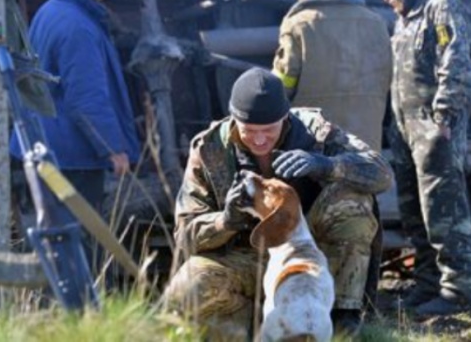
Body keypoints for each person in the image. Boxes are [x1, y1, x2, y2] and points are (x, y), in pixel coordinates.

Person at [164, 67, 391, 338]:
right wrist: (224, 221)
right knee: (187, 288)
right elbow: (184, 236)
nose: (259, 140)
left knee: (352, 200)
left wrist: (326, 165)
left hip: (310, 264)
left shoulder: (315, 132)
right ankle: (250, 325)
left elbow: (381, 174)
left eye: (269, 130)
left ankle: (342, 319)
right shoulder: (209, 148)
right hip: (244, 261)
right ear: (234, 119)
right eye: (249, 130)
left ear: (285, 117)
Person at [10, 0, 140, 266]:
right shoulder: (78, 27)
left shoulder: (52, 11)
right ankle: (89, 308)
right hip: (74, 155)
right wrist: (113, 148)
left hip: (46, 147)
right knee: (87, 244)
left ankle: (60, 307)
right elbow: (86, 98)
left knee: (58, 238)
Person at [374, 0, 471, 316]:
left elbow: (455, 60)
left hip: (435, 131)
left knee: (444, 213)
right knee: (415, 213)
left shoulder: (441, 5)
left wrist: (445, 118)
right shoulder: (404, 18)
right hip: (406, 133)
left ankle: (458, 292)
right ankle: (427, 283)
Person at [273, 0, 392, 152]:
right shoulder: (375, 21)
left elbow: (282, 86)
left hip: (316, 147)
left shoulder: (299, 25)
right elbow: (387, 78)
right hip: (367, 145)